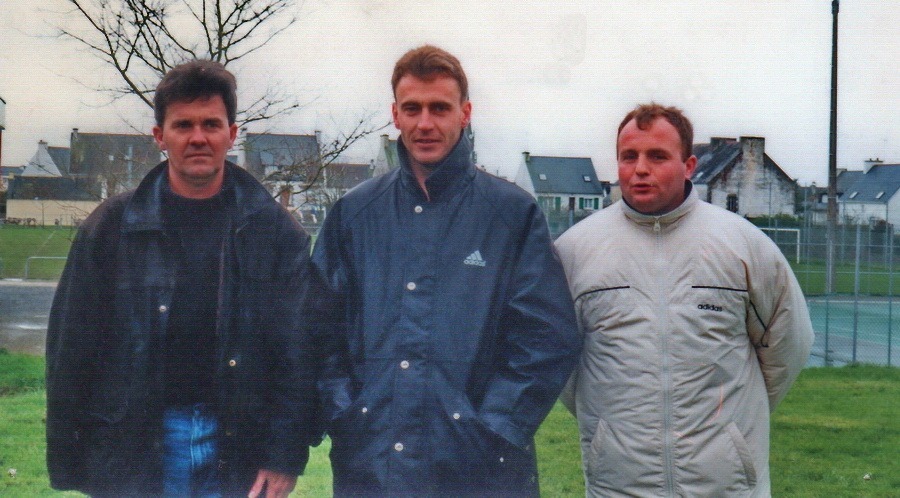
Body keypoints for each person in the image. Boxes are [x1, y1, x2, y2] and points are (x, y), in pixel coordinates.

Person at [311, 45, 581, 497]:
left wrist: (491, 429)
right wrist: (347, 413)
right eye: (412, 108)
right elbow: (316, 329)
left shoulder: (511, 215)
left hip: (482, 474)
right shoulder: (354, 215)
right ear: (395, 115)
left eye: (439, 108)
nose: (425, 123)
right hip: (372, 468)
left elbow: (546, 337)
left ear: (465, 113)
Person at [46, 60, 318, 498]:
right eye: (183, 125)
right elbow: (71, 349)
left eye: (211, 124)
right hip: (135, 445)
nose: (198, 137)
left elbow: (298, 354)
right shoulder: (112, 226)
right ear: (160, 136)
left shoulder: (275, 231)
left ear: (232, 133)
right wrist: (73, 461)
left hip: (239, 447)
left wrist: (284, 456)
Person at [555, 103, 815, 497]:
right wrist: (609, 431)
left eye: (658, 156)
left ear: (689, 165)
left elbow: (788, 346)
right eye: (629, 156)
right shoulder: (574, 252)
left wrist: (730, 434)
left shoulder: (743, 245)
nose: (641, 169)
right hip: (621, 484)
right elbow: (560, 360)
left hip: (725, 485)